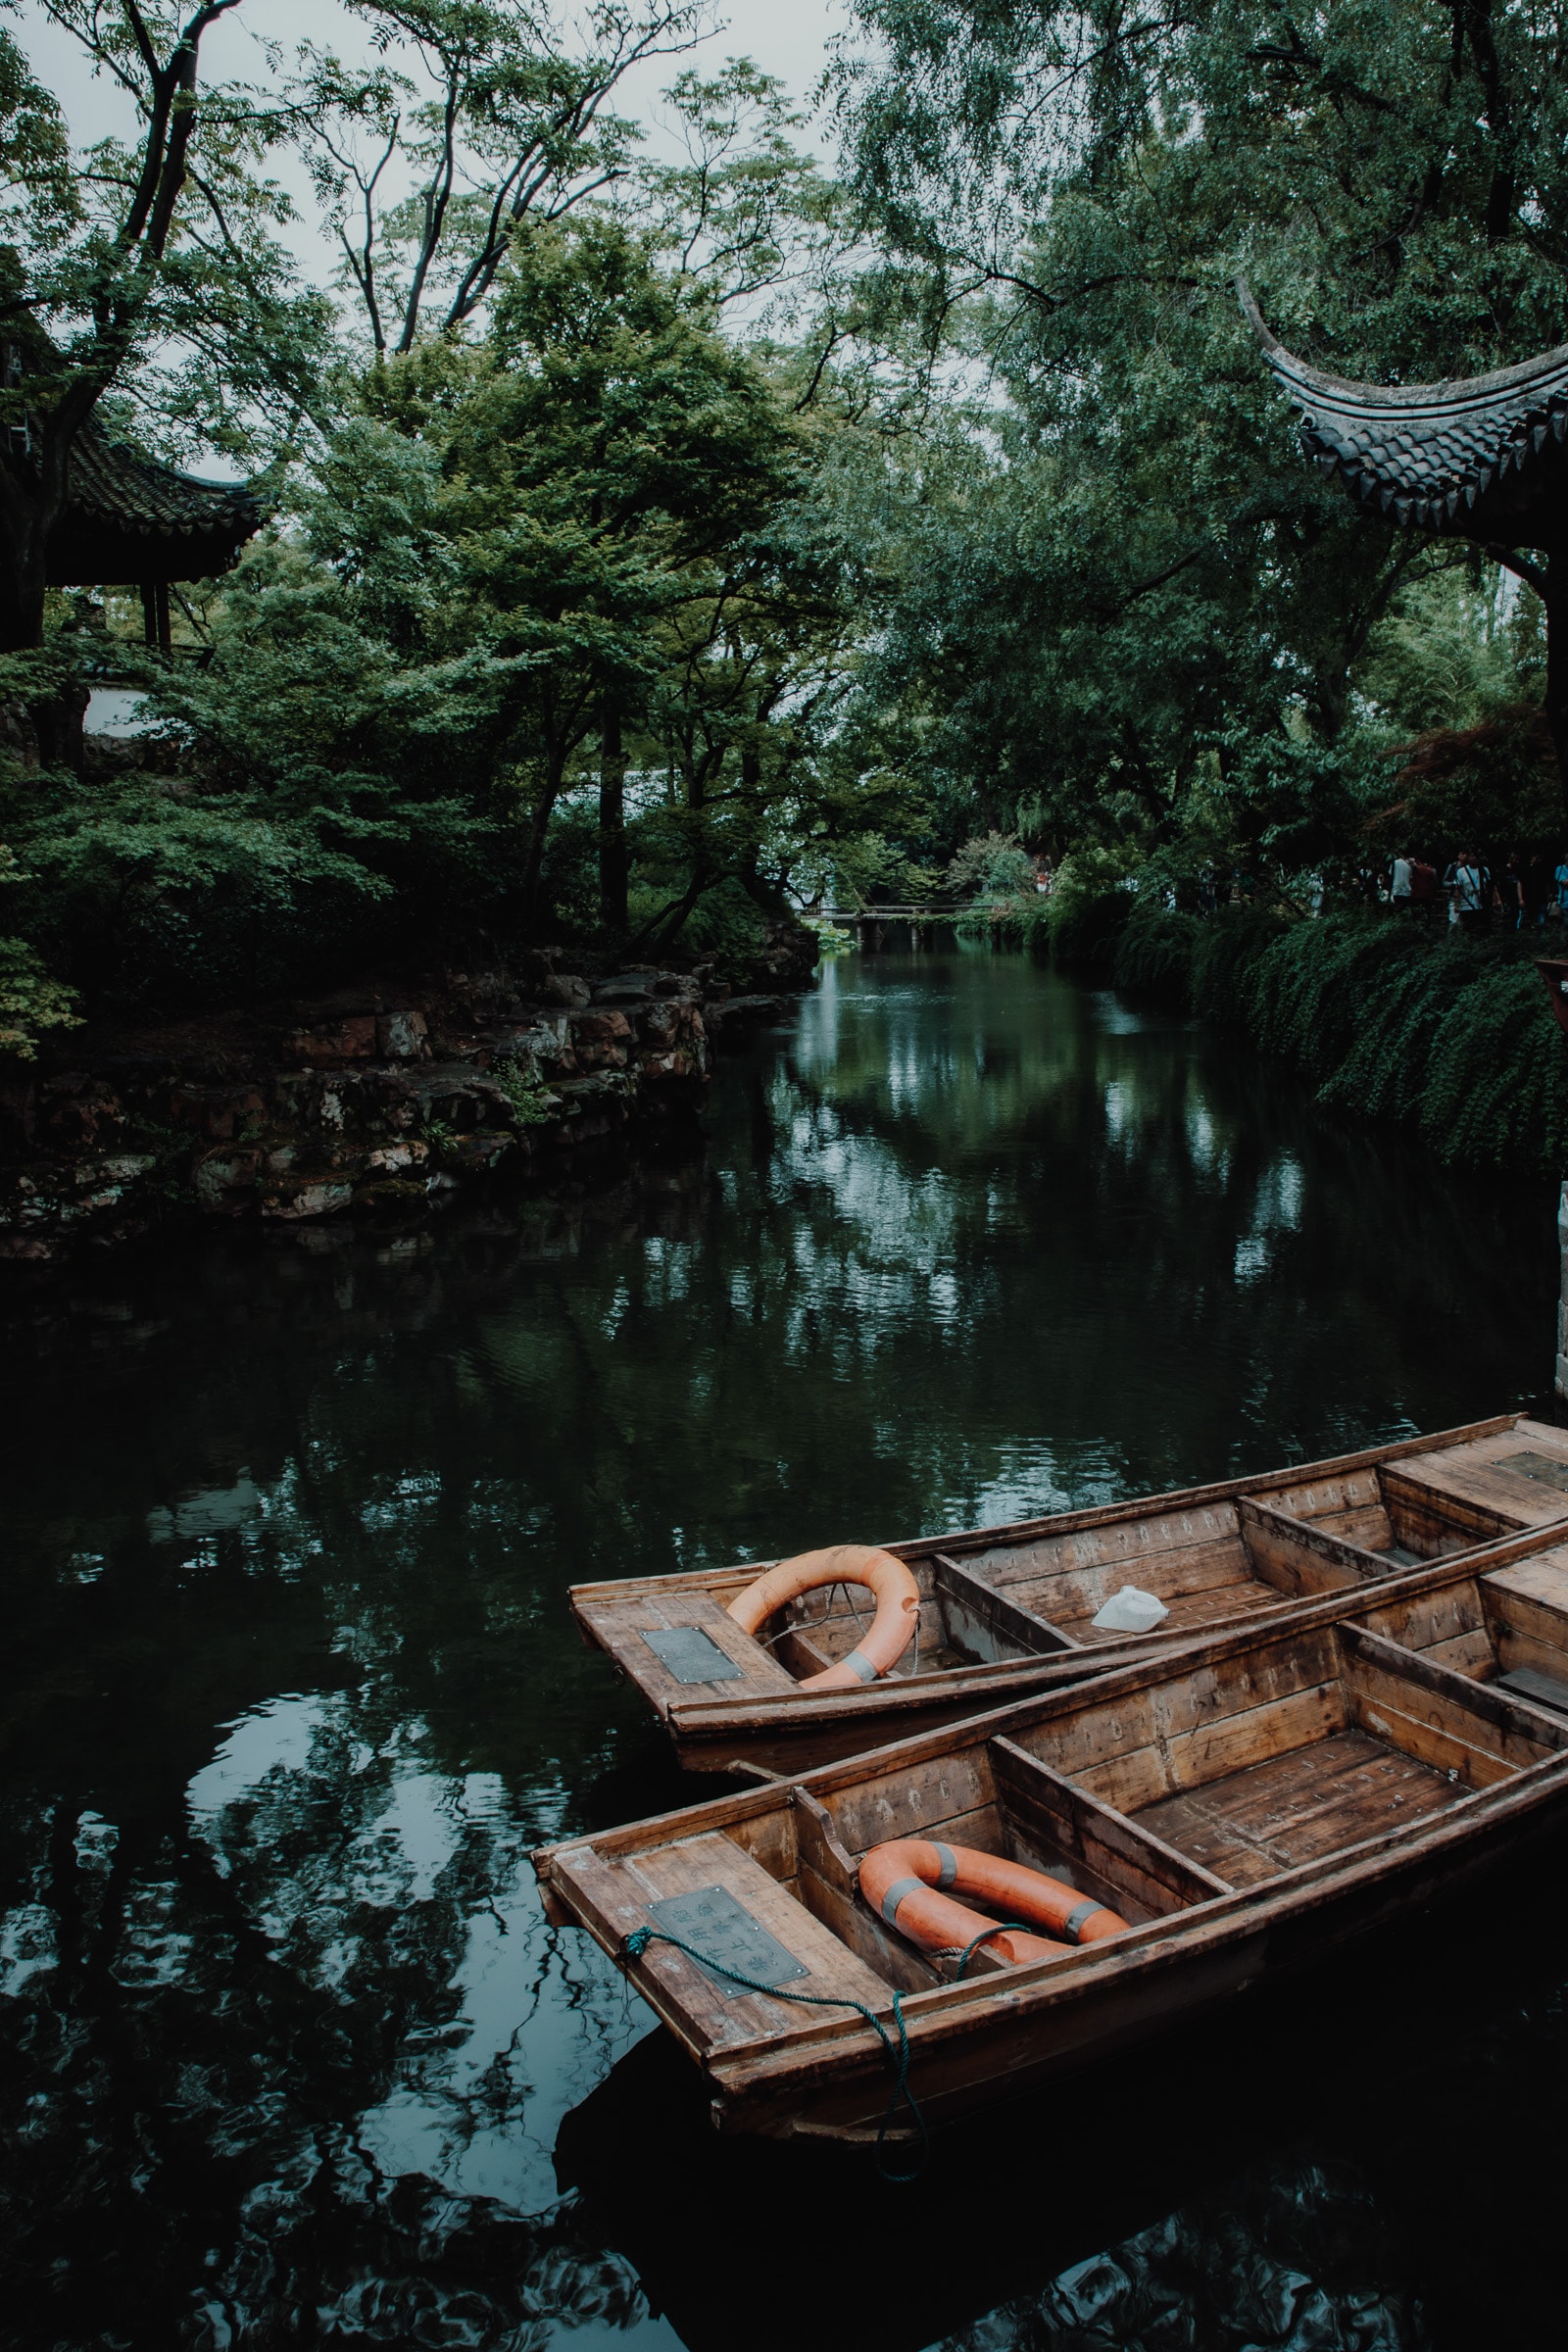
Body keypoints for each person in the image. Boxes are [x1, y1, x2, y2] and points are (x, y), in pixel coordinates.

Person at [1451, 849, 1487, 932]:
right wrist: (1456, 904)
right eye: (1471, 856)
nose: (1474, 858)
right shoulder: (1461, 872)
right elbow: (1457, 888)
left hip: (1481, 905)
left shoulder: (1484, 870)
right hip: (1466, 906)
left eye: (1476, 856)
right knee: (1467, 930)